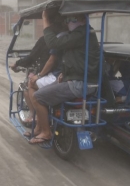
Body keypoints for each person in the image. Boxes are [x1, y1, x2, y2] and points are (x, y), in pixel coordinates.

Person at [28, 11, 100, 144]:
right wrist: (66, 74)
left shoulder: (81, 34)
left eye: (72, 18)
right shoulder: (83, 34)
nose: (68, 22)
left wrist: (45, 19)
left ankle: (46, 132)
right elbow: (77, 59)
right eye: (67, 19)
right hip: (79, 81)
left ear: (83, 20)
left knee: (37, 97)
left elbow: (53, 43)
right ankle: (41, 126)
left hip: (79, 84)